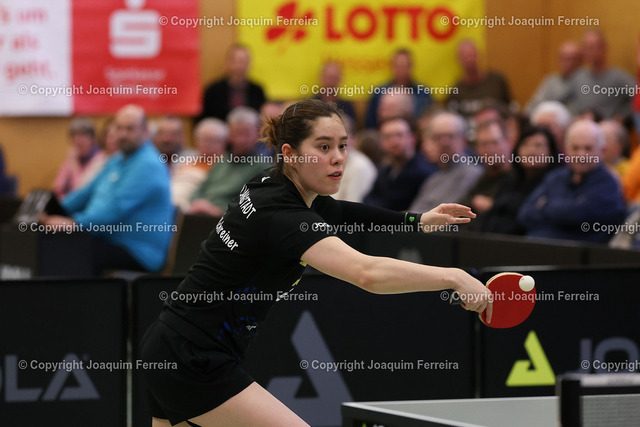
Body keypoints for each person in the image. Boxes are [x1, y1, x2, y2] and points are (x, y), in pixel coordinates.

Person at [138, 99, 492, 426]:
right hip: (193, 359)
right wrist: (453, 277)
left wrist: (416, 221)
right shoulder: (282, 214)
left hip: (171, 343)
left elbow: (342, 212)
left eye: (342, 145)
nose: (338, 157)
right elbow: (367, 273)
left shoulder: (273, 183)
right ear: (290, 153)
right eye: (323, 147)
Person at [40, 104, 174, 273]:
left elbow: (115, 209)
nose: (123, 134)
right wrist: (55, 210)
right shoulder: (118, 159)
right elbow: (85, 193)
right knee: (48, 242)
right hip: (108, 240)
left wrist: (74, 224)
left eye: (130, 129)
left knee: (65, 253)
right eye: (119, 128)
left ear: (145, 131)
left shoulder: (148, 164)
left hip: (137, 251)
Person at [517, 120, 626, 242]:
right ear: (566, 149)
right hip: (537, 247)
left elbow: (580, 217)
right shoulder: (555, 177)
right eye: (575, 148)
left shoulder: (609, 184)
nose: (581, 155)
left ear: (602, 150)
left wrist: (545, 205)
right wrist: (569, 210)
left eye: (588, 148)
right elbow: (525, 214)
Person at [189, 107, 271, 217]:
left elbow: (254, 205)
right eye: (236, 133)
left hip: (229, 219)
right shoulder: (222, 160)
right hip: (201, 213)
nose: (240, 140)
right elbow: (201, 189)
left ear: (257, 134)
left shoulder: (263, 168)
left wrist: (219, 210)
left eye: (246, 133)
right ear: (229, 134)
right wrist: (197, 203)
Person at [479, 126, 560, 235]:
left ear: (551, 152)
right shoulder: (510, 179)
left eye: (539, 145)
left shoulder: (556, 183)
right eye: (525, 144)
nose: (531, 151)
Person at [410, 112, 483, 212]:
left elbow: (450, 215)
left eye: (451, 136)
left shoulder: (472, 175)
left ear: (463, 140)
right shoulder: (433, 179)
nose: (444, 142)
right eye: (438, 137)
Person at [363, 116, 435, 211]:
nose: (394, 142)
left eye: (399, 135)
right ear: (381, 143)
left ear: (413, 138)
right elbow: (368, 198)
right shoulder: (385, 169)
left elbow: (392, 204)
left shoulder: (423, 171)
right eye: (388, 137)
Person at [563, 30, 635, 121]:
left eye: (595, 47)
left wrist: (622, 116)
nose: (591, 51)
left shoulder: (619, 78)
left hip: (607, 124)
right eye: (587, 47)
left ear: (604, 48)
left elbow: (637, 98)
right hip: (582, 123)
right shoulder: (578, 76)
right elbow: (563, 100)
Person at [459, 120, 512, 229]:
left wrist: (493, 206)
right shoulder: (482, 178)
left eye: (495, 143)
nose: (490, 149)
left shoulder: (519, 178)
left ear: (508, 143)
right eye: (484, 144)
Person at [365, 49, 432, 128]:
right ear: (392, 67)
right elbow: (371, 124)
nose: (401, 70)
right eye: (398, 66)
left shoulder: (423, 93)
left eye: (404, 66)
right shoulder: (379, 93)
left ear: (411, 67)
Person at [172, 119, 229, 212]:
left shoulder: (224, 165)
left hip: (190, 207)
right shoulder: (186, 157)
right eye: (203, 139)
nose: (207, 144)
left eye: (212, 140)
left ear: (223, 142)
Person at [199, 44, 266, 122]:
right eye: (235, 61)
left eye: (242, 61)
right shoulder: (213, 90)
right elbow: (204, 118)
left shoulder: (257, 90)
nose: (239, 65)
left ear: (249, 63)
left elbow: (262, 117)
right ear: (227, 62)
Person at [446, 39, 512, 118]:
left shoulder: (497, 81)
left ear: (479, 55)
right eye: (465, 57)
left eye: (472, 55)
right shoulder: (455, 91)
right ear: (458, 60)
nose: (469, 60)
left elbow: (510, 111)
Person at [524, 41, 582, 114]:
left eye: (573, 59)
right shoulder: (551, 81)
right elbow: (533, 106)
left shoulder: (585, 82)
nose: (568, 63)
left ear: (580, 61)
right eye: (564, 58)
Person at [52, 117, 105, 198]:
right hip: (66, 202)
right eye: (73, 136)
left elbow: (81, 190)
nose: (77, 140)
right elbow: (57, 187)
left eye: (81, 136)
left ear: (92, 138)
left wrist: (74, 165)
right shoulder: (73, 157)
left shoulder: (100, 159)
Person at [331, 116, 377, 203]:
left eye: (343, 137)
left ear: (353, 138)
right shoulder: (331, 162)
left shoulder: (360, 166)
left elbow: (353, 205)